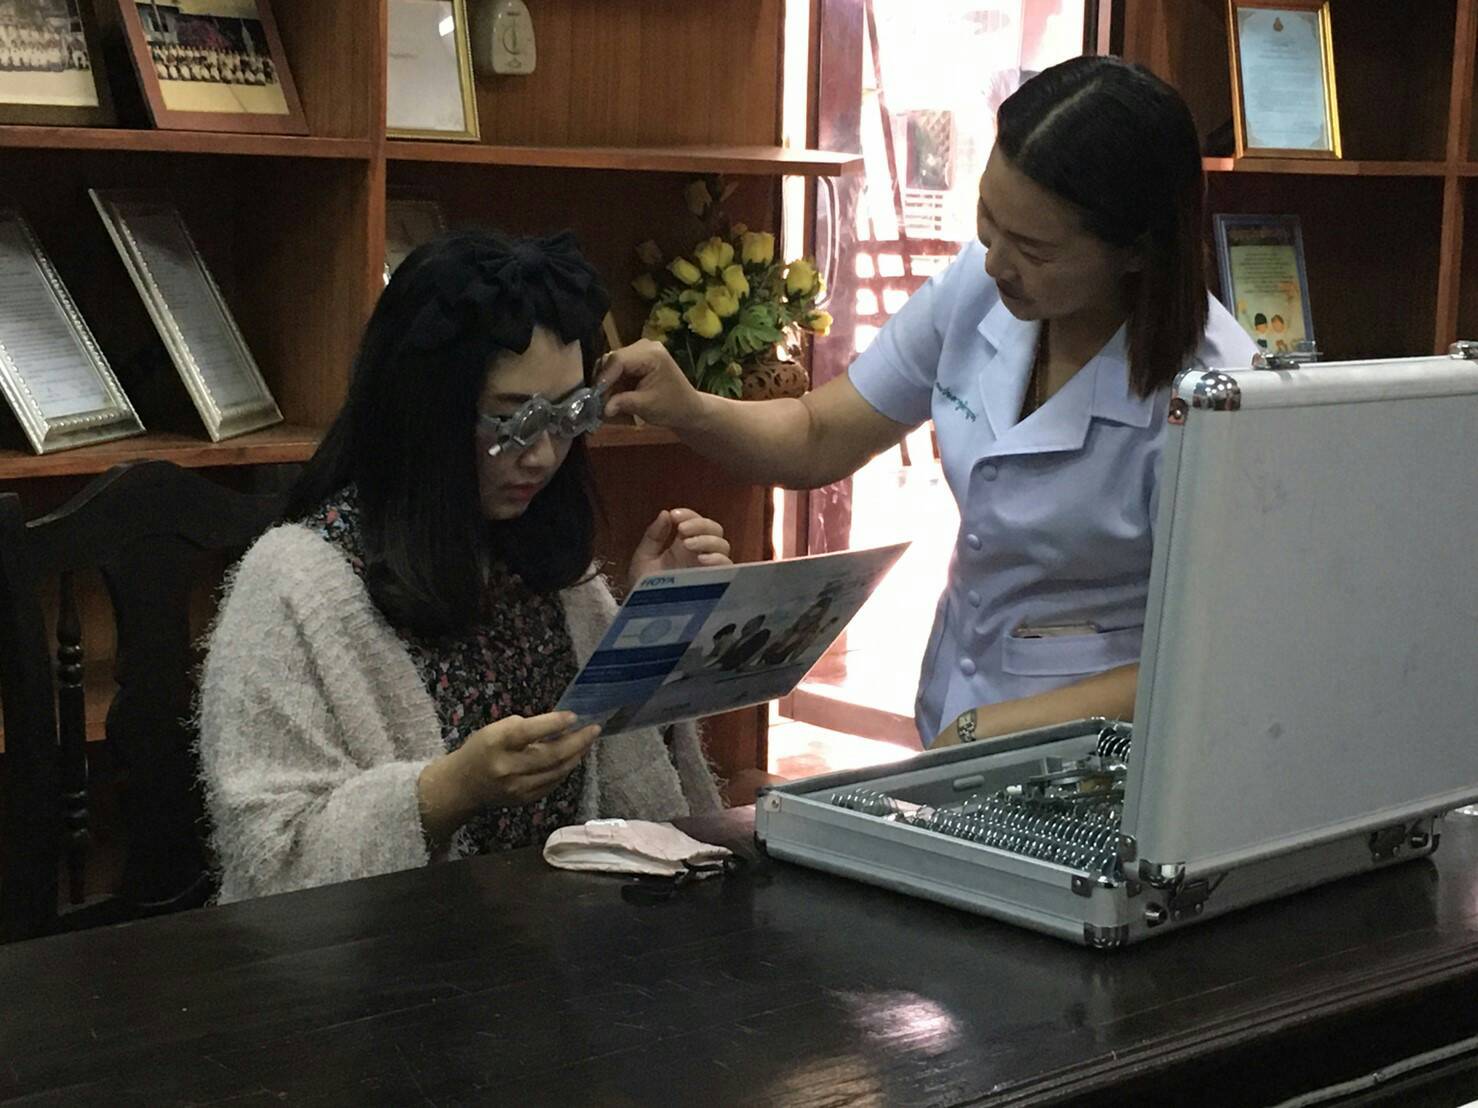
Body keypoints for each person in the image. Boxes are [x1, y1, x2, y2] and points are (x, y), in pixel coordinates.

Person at [597, 55, 1258, 749]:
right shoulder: (982, 287)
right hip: (959, 720)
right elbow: (820, 432)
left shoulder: (1219, 393)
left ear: (1137, 253)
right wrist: (689, 408)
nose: (996, 261)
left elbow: (1219, 653)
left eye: (1034, 249)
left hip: (1112, 755)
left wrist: (988, 730)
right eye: (988, 220)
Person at [199, 230, 731, 903]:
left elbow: (638, 808)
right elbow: (270, 860)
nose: (543, 455)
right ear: (425, 412)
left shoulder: (548, 565)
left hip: (551, 941)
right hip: (391, 959)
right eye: (511, 421)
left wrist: (650, 627)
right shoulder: (292, 585)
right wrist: (446, 793)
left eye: (567, 415)